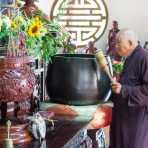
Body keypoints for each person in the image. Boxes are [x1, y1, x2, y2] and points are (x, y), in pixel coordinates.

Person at [110, 29, 148, 148]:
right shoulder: (129, 58)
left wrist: (123, 90)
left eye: (118, 43)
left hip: (135, 119)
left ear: (130, 43)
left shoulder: (144, 57)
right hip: (122, 115)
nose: (116, 46)